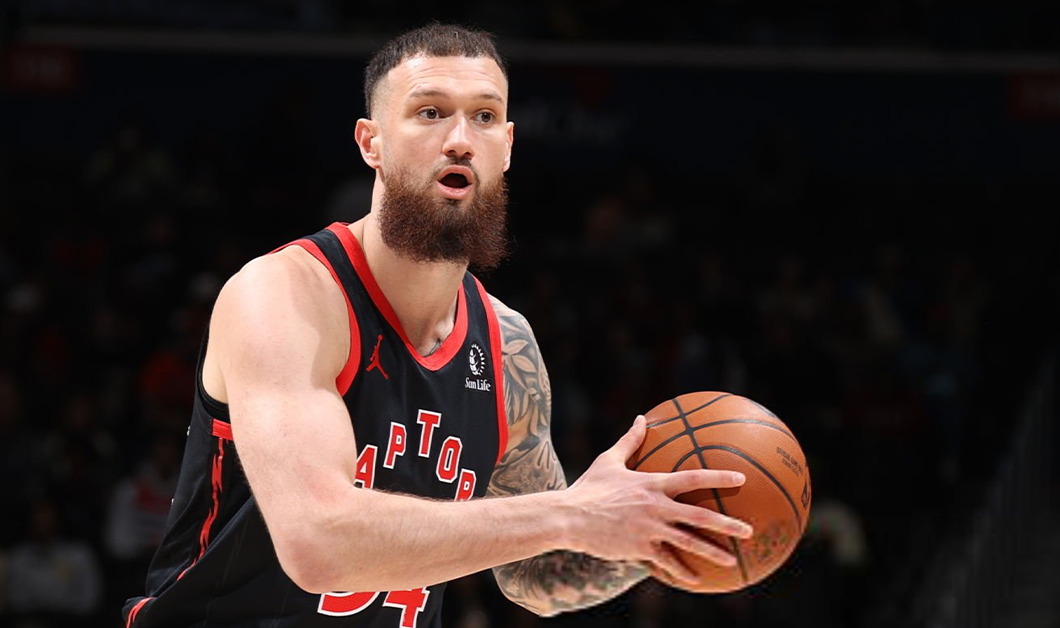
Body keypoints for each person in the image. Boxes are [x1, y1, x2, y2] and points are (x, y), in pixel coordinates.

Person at [122, 22, 752, 627]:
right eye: (430, 112)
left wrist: (655, 533)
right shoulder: (285, 296)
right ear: (371, 143)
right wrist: (571, 512)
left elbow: (536, 575)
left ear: (508, 147)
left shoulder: (507, 346)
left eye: (484, 116)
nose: (460, 139)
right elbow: (319, 542)